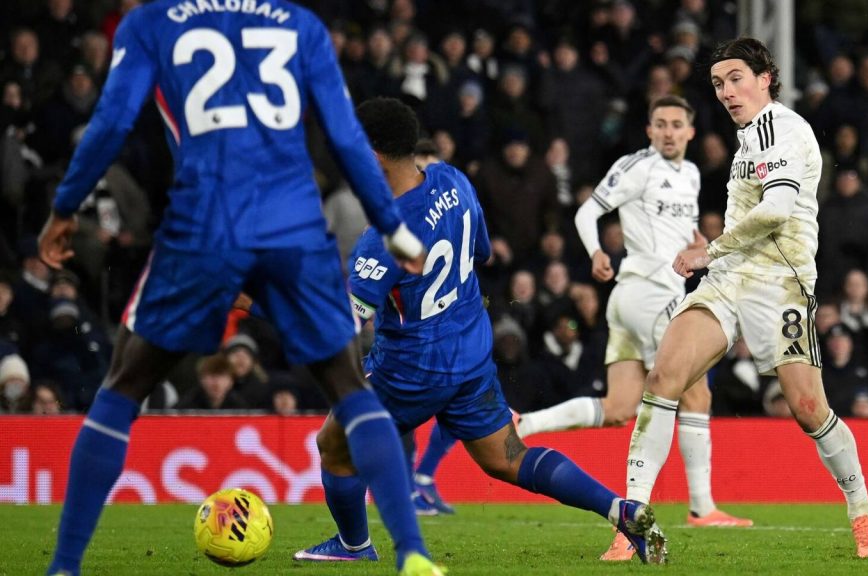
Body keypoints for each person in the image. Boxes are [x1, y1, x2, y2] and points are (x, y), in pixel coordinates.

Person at [35, 2, 445, 575]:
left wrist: (64, 207)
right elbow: (347, 137)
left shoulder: (153, 22)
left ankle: (64, 567)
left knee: (123, 386)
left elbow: (111, 123)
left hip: (205, 222)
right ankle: (414, 554)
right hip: (293, 224)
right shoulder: (299, 23)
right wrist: (392, 226)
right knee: (351, 389)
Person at [294, 97, 666, 565]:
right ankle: (619, 509)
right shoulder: (452, 180)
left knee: (333, 444)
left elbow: (342, 325)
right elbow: (481, 253)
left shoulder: (382, 239)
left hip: (411, 369)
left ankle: (354, 546)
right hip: (469, 356)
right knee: (508, 459)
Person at [622, 38, 868, 559]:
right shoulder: (748, 139)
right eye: (718, 83)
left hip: (780, 281)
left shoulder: (783, 129)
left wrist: (708, 249)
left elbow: (776, 211)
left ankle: (862, 510)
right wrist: (717, 257)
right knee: (663, 377)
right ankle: (633, 519)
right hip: (728, 279)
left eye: (736, 78)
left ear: (766, 78)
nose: (726, 91)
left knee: (808, 409)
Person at [515, 95, 752, 562]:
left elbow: (678, 232)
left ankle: (524, 423)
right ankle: (680, 510)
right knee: (693, 393)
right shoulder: (638, 166)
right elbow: (587, 212)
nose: (668, 131)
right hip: (650, 293)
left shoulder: (691, 174)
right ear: (649, 130)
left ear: (690, 131)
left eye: (676, 124)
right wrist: (595, 253)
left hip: (631, 301)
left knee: (621, 406)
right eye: (660, 124)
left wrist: (699, 245)